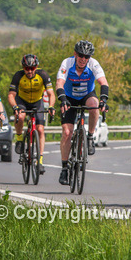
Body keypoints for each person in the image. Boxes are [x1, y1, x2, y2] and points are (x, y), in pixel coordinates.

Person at [56, 40, 110, 185]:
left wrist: (104, 99)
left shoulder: (93, 64)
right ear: (75, 54)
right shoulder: (67, 63)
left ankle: (90, 137)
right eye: (81, 55)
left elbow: (103, 82)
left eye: (87, 56)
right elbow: (59, 83)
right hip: (69, 97)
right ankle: (64, 168)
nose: (83, 59)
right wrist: (62, 99)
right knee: (67, 133)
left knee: (94, 105)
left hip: (86, 95)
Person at [8, 54, 55, 174]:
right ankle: (19, 139)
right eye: (26, 68)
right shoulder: (18, 76)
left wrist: (51, 106)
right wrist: (15, 107)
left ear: (36, 67)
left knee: (40, 129)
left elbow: (51, 94)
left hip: (37, 102)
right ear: (23, 68)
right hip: (22, 101)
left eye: (32, 68)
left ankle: (40, 161)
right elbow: (11, 95)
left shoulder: (43, 75)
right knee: (21, 116)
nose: (29, 71)